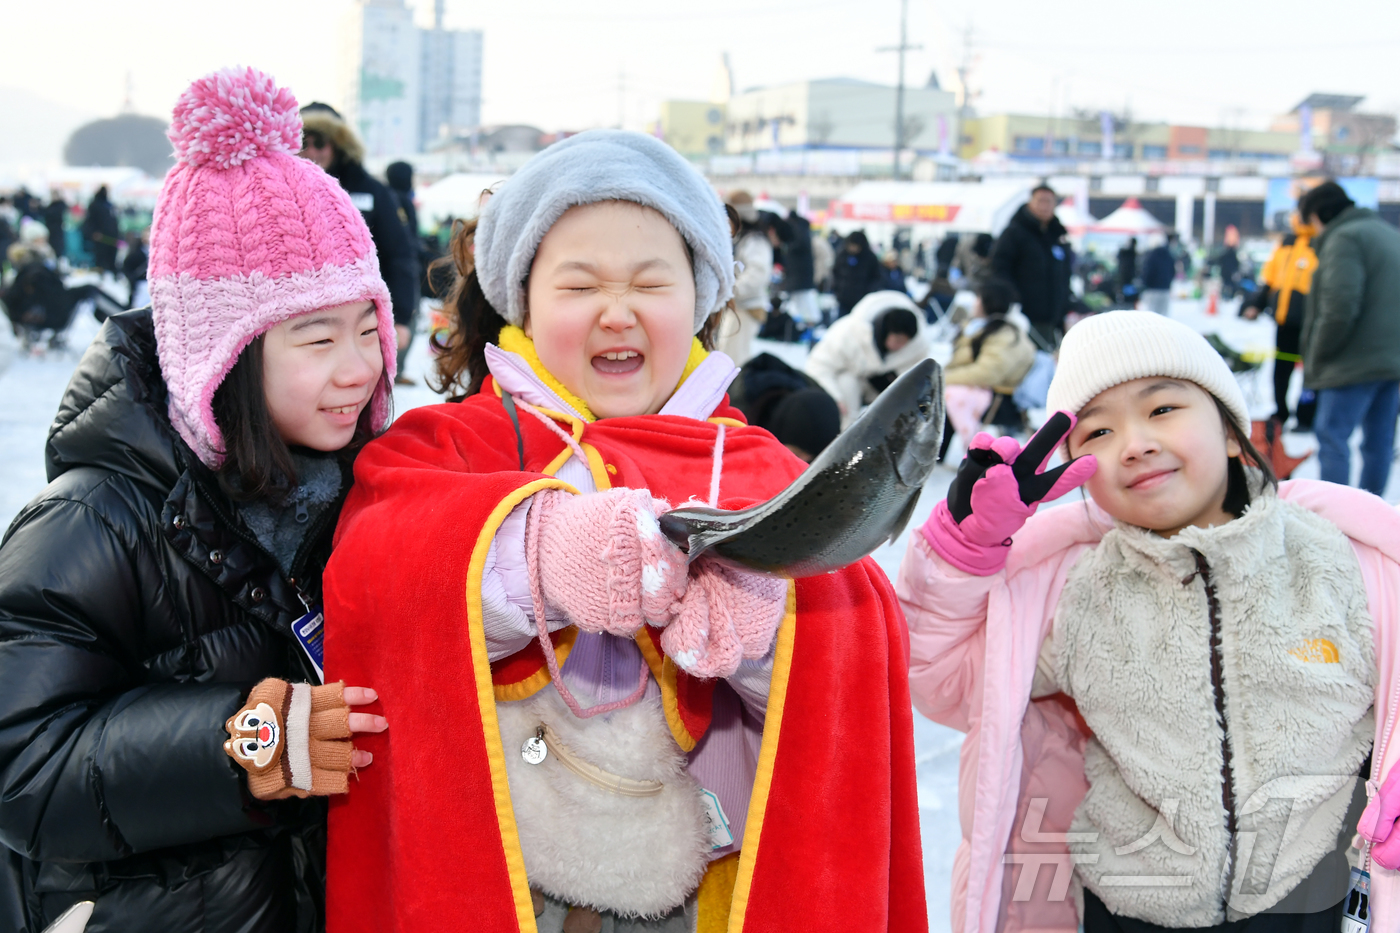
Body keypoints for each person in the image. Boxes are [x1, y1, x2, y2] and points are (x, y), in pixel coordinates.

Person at [320, 129, 925, 933]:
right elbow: (379, 580)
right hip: (505, 884)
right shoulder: (453, 446)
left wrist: (762, 634)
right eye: (579, 285)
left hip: (692, 892)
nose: (617, 311)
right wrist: (539, 558)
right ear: (523, 300)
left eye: (651, 282)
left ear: (701, 299)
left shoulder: (755, 467)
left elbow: (850, 674)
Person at [0, 67, 397, 932]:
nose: (358, 367)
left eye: (369, 328)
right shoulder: (90, 522)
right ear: (224, 358)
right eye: (317, 338)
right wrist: (245, 741)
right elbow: (22, 764)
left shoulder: (362, 495)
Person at [900, 309, 1400, 930]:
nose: (1134, 443)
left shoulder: (1342, 562)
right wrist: (963, 552)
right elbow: (945, 679)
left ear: (1231, 431)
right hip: (1131, 906)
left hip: (1312, 900)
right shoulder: (1075, 592)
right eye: (1098, 432)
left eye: (1162, 409)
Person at [298, 103, 418, 386]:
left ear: (337, 143)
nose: (312, 151)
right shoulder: (277, 189)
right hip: (299, 321)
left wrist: (401, 318)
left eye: (320, 142)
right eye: (304, 142)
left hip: (359, 321)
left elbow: (400, 255)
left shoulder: (372, 191)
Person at [1300, 180, 1400, 495]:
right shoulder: (1388, 234)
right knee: (1379, 442)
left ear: (1318, 214)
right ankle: (1372, 509)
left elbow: (1339, 308)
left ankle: (1338, 515)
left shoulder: (1344, 238)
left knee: (1332, 437)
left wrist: (1318, 355)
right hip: (1392, 361)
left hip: (1351, 362)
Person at [805, 289, 929, 428]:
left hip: (883, 392)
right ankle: (844, 433)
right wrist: (835, 397)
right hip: (848, 385)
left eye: (906, 342)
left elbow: (918, 385)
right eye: (898, 340)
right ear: (886, 331)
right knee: (846, 381)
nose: (902, 346)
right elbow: (818, 366)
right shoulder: (847, 333)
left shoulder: (916, 349)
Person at [941, 276, 1036, 447]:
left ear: (988, 302)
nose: (974, 303)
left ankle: (943, 452)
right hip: (980, 391)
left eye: (978, 298)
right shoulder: (977, 327)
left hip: (1000, 400)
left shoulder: (1006, 335)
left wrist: (943, 378)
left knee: (945, 396)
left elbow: (987, 373)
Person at [1243, 213, 1317, 430]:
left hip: (1312, 322)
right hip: (1284, 321)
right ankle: (1280, 412)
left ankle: (1306, 416)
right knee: (1281, 370)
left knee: (1311, 373)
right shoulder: (1286, 243)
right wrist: (1257, 303)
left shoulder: (1322, 242)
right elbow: (1270, 276)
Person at [990, 184, 1072, 348]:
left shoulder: (1057, 235)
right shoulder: (1014, 232)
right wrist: (1013, 298)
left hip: (1052, 317)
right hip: (1023, 315)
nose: (1044, 206)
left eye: (1049, 201)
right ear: (1030, 203)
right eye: (1040, 201)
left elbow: (1064, 275)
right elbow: (999, 267)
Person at [727, 351, 841, 461]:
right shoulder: (730, 419)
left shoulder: (823, 407)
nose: (802, 464)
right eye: (796, 455)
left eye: (812, 460)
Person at [385, 160, 428, 383]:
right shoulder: (402, 200)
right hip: (403, 271)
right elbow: (408, 241)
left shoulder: (383, 196)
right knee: (407, 316)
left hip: (384, 271)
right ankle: (396, 371)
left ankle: (388, 371)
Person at [718, 190, 772, 364]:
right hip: (737, 306)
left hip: (746, 307)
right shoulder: (742, 239)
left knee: (732, 357)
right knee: (727, 353)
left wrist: (732, 290)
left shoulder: (754, 241)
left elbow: (758, 273)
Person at [833, 229, 883, 316]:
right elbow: (835, 273)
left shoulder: (870, 258)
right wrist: (837, 290)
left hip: (862, 300)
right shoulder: (842, 255)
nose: (852, 248)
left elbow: (877, 277)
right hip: (843, 299)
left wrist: (869, 291)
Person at [80, 184, 119, 275]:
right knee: (101, 259)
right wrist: (93, 233)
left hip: (110, 238)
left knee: (110, 258)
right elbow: (90, 221)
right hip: (101, 237)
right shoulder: (97, 205)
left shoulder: (108, 205)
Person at [1139, 232, 1177, 315]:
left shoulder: (1150, 256)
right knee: (1163, 316)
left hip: (1152, 290)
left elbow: (1147, 273)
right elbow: (1173, 272)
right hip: (1165, 289)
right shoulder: (1169, 255)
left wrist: (1145, 284)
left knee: (1151, 315)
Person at [1211, 225, 1242, 300]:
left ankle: (1226, 296)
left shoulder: (1227, 253)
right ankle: (1228, 296)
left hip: (1226, 272)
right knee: (1229, 285)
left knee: (1227, 284)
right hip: (1229, 272)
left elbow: (1220, 260)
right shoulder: (1232, 253)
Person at [43, 192, 67, 265]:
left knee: (58, 248)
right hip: (50, 230)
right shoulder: (50, 206)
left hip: (58, 231)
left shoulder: (61, 206)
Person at [1116, 236, 1138, 304]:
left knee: (1126, 292)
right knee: (1128, 293)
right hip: (1128, 276)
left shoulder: (1124, 252)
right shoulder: (1132, 253)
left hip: (1124, 275)